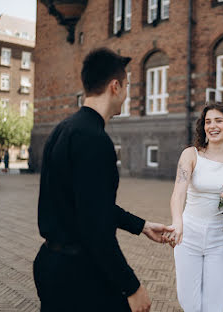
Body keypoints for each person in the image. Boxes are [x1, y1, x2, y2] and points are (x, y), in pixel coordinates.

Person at [33, 48, 173, 312]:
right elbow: (95, 229)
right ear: (115, 86)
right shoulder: (95, 141)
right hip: (80, 276)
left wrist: (141, 226)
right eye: (128, 86)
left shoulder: (62, 130)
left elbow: (90, 204)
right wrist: (132, 287)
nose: (127, 94)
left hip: (51, 265)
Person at [166, 102, 223, 312]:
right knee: (189, 301)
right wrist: (177, 223)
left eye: (218, 121)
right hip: (188, 235)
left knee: (214, 304)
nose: (212, 126)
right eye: (207, 121)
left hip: (220, 239)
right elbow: (178, 193)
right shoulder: (191, 155)